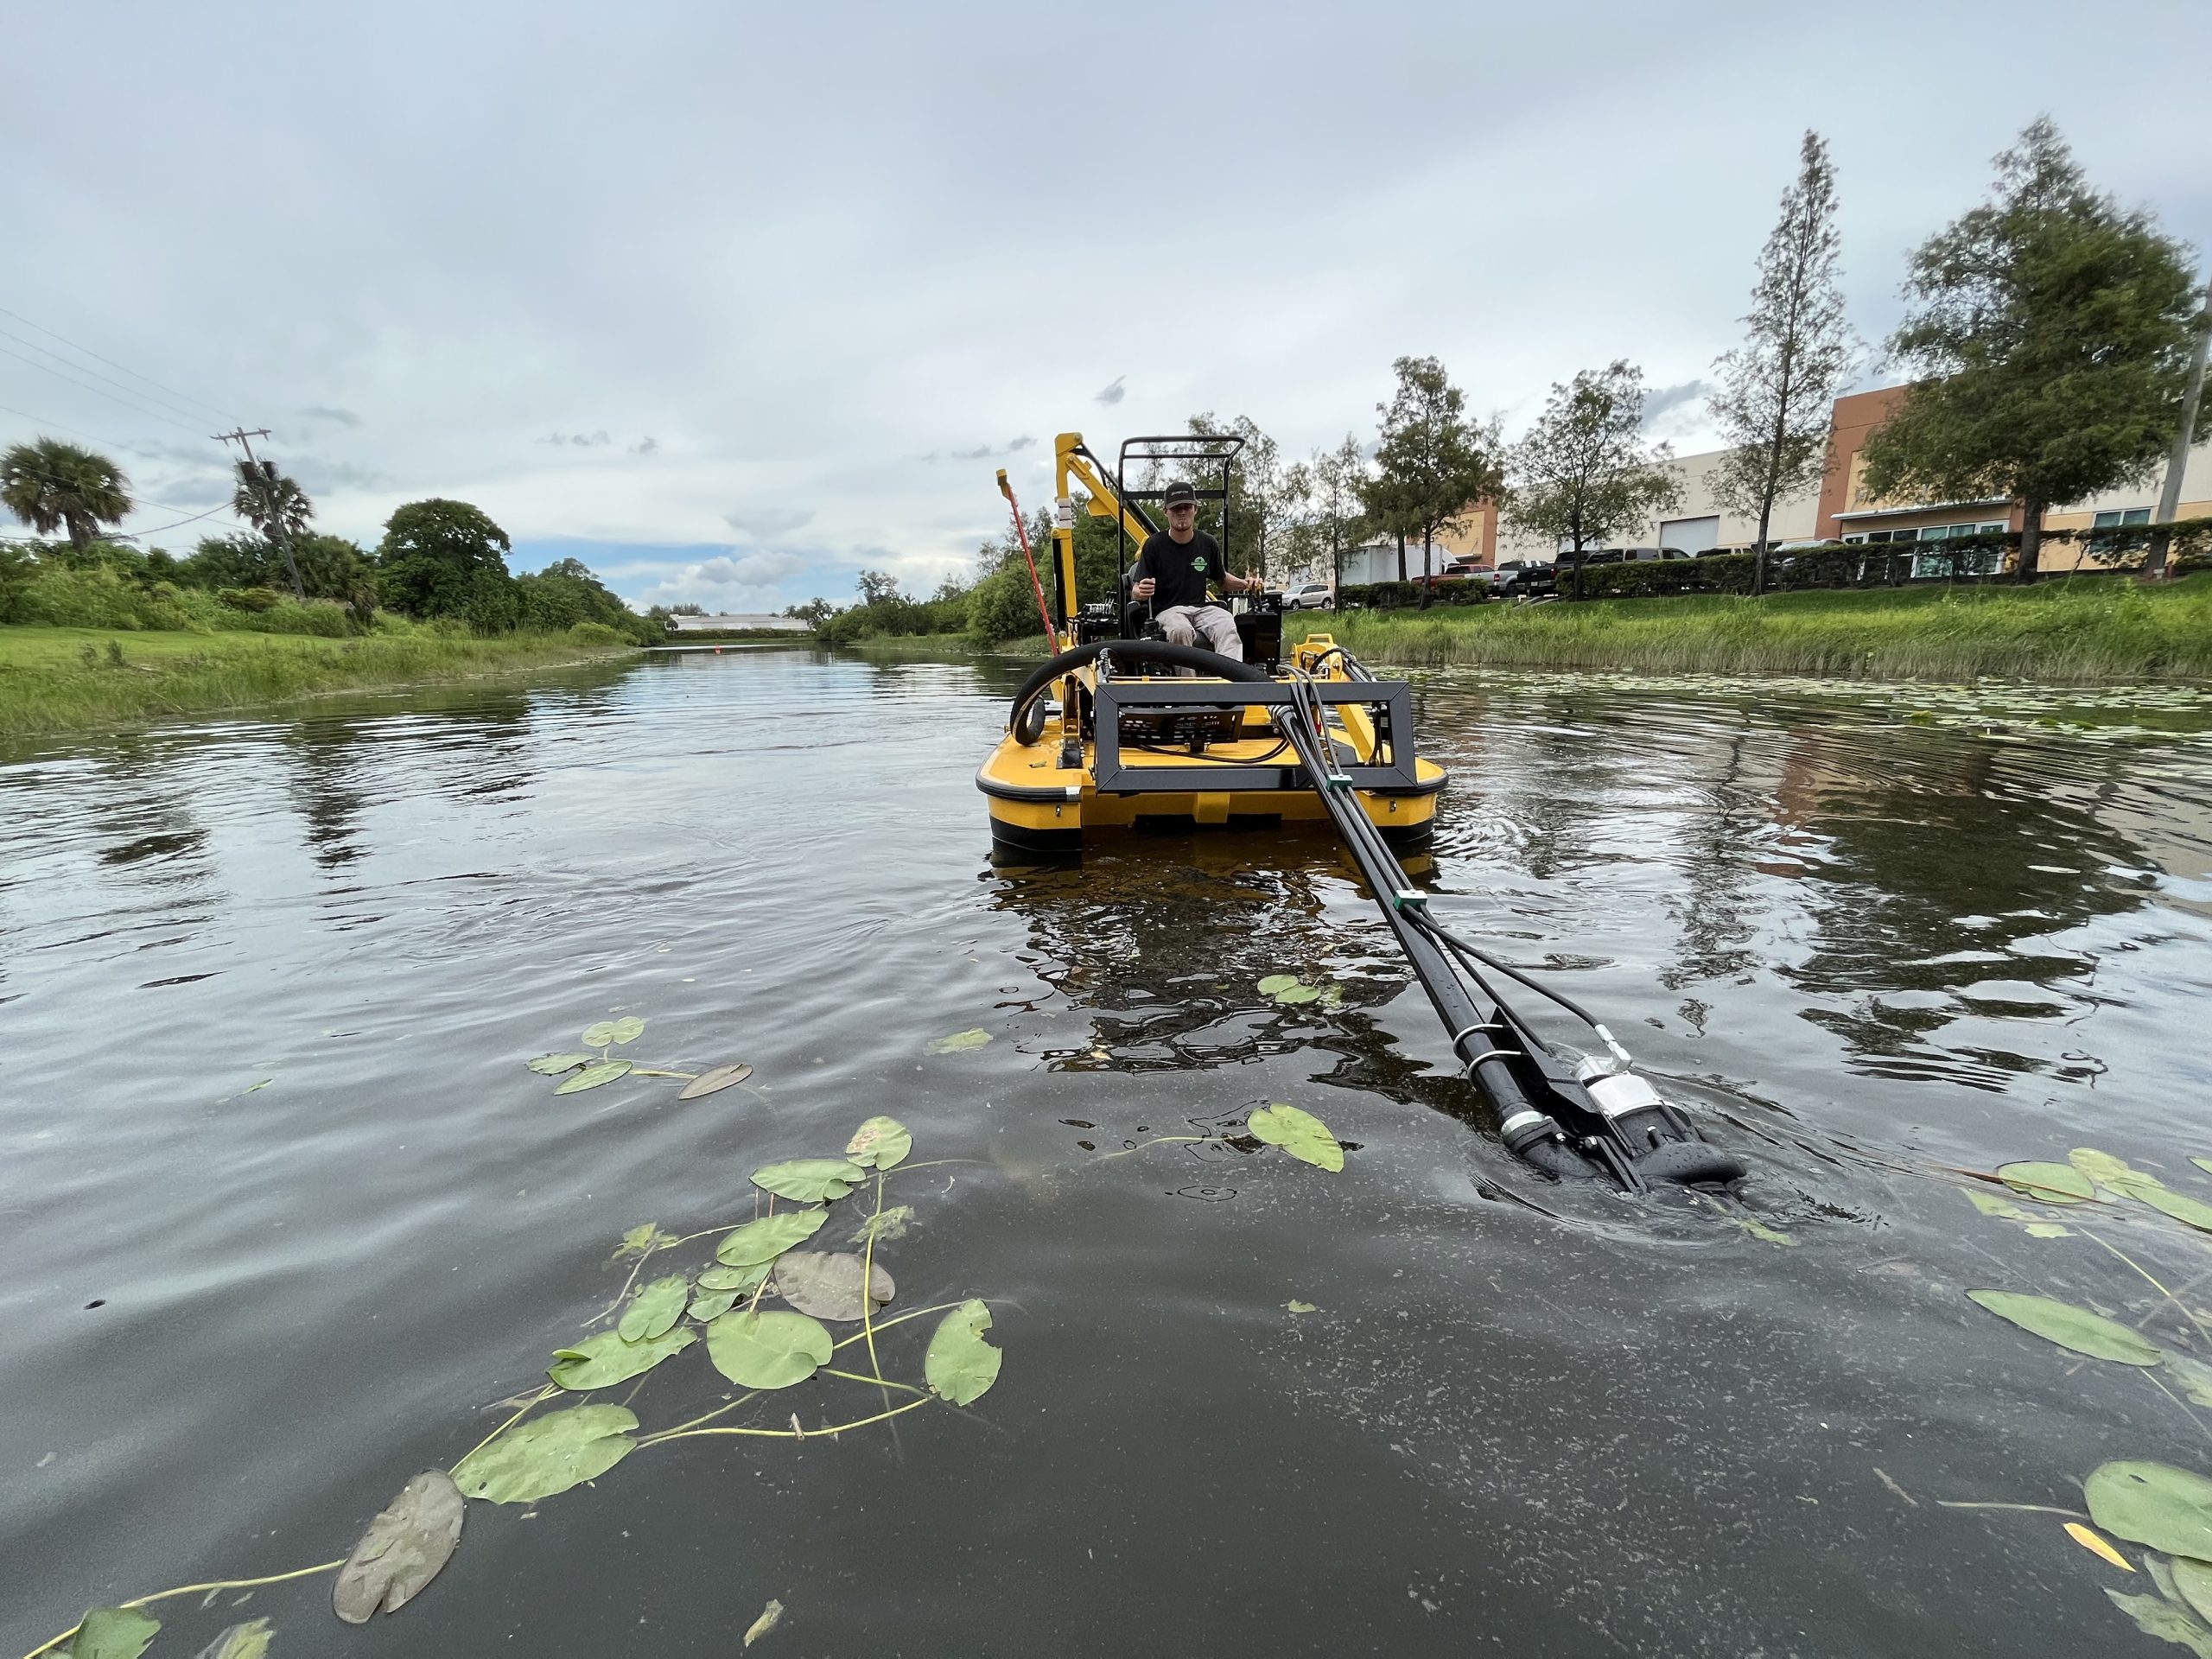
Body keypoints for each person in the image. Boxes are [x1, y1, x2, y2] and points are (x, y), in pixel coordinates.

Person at [1131, 480, 1262, 659]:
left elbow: (1222, 580)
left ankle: (1230, 682)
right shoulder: (1154, 545)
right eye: (1176, 508)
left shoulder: (1207, 543)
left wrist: (1246, 584)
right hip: (1169, 612)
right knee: (1180, 630)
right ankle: (1188, 686)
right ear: (1166, 512)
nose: (1182, 512)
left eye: (1187, 507)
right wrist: (1141, 591)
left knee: (1226, 623)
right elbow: (1136, 590)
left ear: (1195, 510)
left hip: (1201, 609)